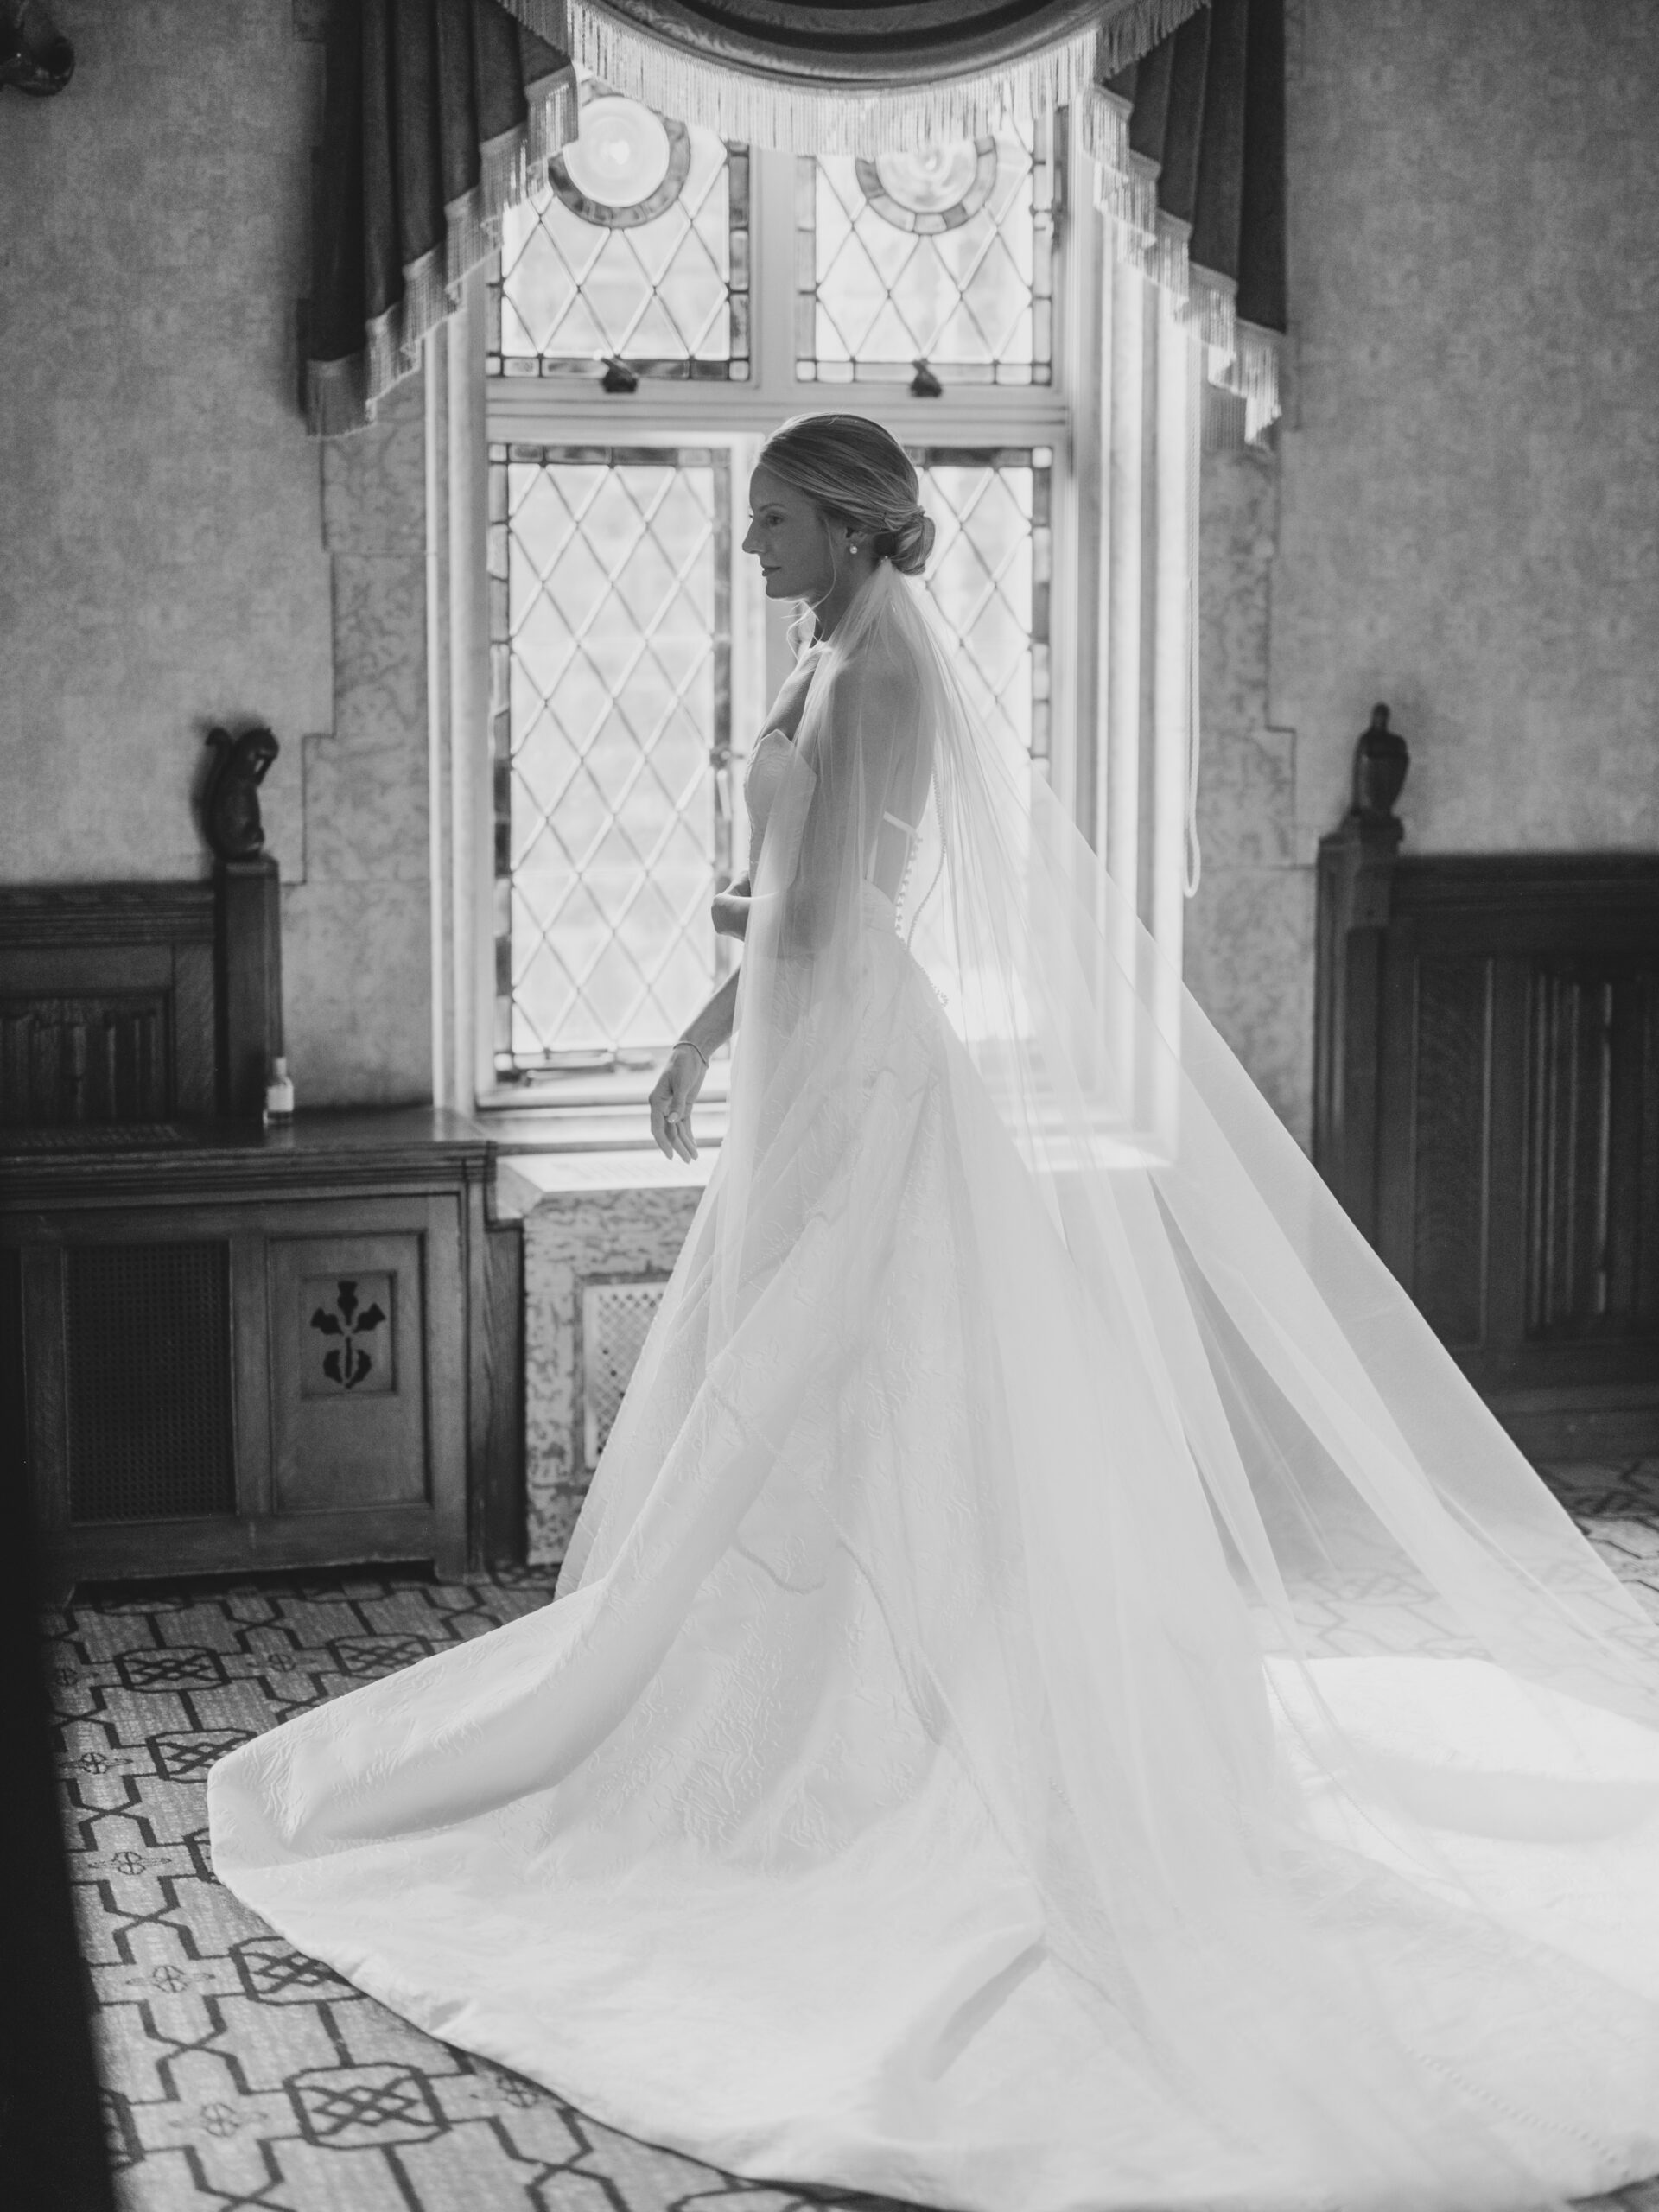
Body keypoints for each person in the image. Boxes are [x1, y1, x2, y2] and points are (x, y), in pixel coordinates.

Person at [212, 415, 1659, 2212]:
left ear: (837, 525)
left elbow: (826, 913)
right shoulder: (844, 647)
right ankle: (806, 1696)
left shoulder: (880, 670)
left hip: (849, 1064)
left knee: (832, 1370)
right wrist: (743, 982)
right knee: (816, 1386)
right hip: (832, 1051)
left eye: (767, 520)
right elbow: (823, 906)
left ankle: (875, 1734)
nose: (747, 547)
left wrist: (700, 1011)